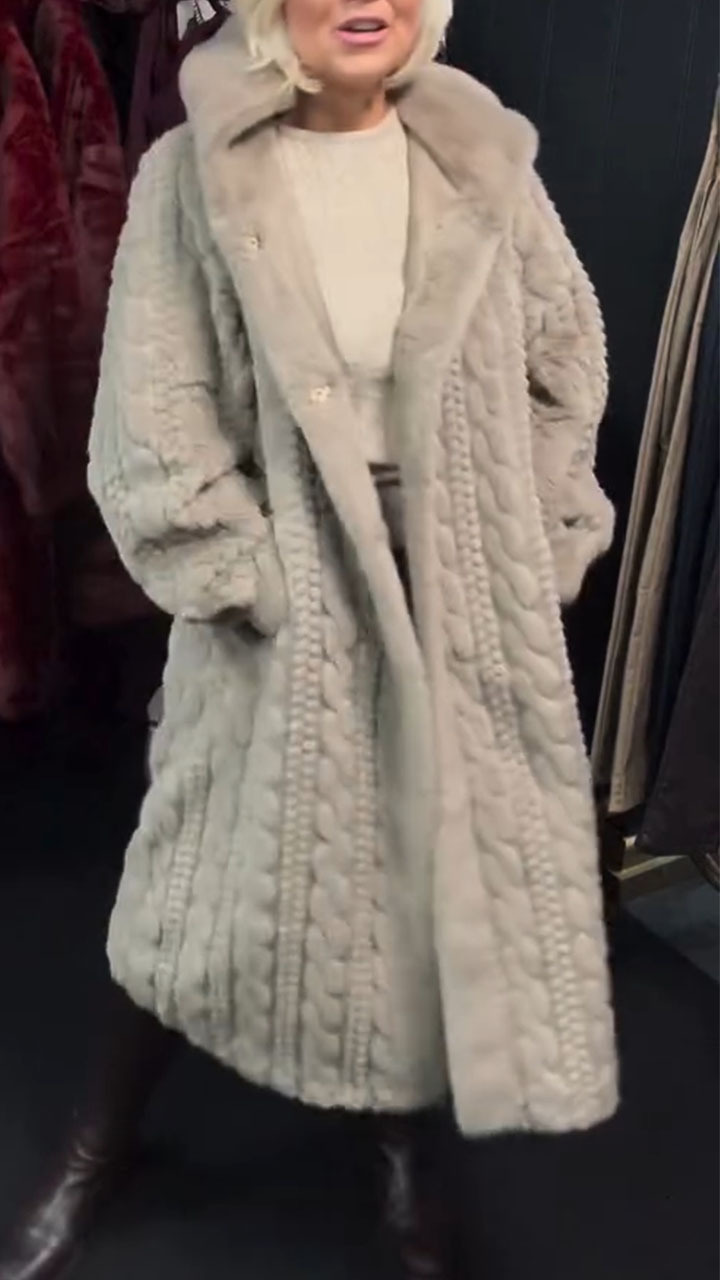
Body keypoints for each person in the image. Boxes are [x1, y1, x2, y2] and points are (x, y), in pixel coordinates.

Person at [1, 2, 619, 1277]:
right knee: (193, 883)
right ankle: (103, 1138)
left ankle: (402, 1144)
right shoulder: (194, 176)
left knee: (417, 882)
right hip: (287, 595)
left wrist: (537, 535)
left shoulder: (484, 159)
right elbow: (150, 419)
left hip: (456, 587)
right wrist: (250, 579)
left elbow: (566, 359)